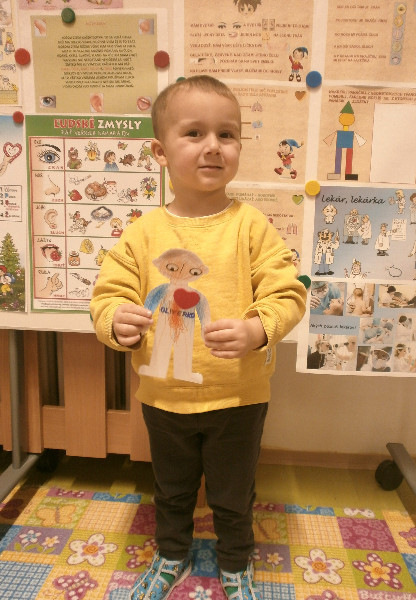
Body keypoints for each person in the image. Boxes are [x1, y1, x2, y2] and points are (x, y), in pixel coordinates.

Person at [90, 75, 306, 600]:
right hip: (165, 398)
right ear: (160, 152)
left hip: (238, 398)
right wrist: (115, 322)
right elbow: (107, 295)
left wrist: (257, 328)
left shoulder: (251, 225)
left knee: (234, 495)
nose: (213, 146)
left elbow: (288, 292)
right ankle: (172, 555)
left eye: (226, 134)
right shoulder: (141, 233)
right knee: (171, 491)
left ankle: (235, 562)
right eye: (194, 133)